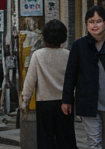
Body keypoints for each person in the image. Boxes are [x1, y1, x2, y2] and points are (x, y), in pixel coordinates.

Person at [61, 6, 105, 149]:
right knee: (94, 143)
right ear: (86, 24)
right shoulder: (79, 46)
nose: (95, 25)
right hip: (87, 102)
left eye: (98, 21)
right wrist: (67, 100)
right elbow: (70, 75)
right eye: (91, 21)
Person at [22, 20, 75, 149]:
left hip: (44, 104)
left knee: (45, 140)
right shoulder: (69, 55)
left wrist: (25, 101)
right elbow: (75, 79)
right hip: (65, 102)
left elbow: (30, 82)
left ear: (45, 37)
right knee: (66, 140)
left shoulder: (38, 56)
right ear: (63, 37)